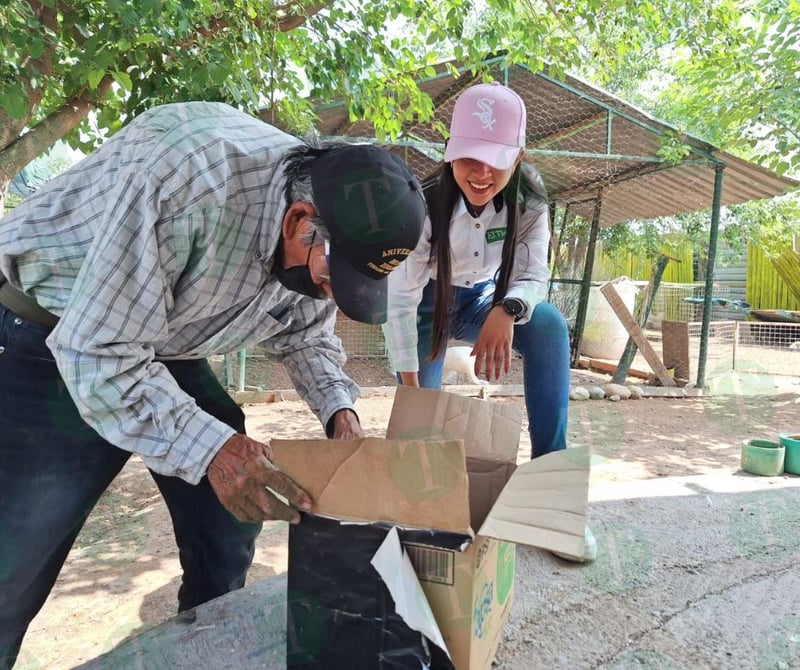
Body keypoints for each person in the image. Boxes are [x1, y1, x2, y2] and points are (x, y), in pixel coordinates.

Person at [0, 101, 426, 669]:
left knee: (226, 524)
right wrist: (214, 451)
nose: (330, 294)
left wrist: (340, 416)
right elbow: (97, 351)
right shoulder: (188, 180)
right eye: (331, 276)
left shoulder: (318, 242)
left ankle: (204, 650)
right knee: (14, 560)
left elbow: (306, 333)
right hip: (53, 332)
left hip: (162, 340)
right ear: (300, 219)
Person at [381, 82, 596, 562]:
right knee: (420, 415)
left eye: (495, 160)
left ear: (518, 156)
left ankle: (552, 501)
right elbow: (400, 301)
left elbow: (534, 272)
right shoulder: (423, 204)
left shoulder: (532, 199)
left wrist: (509, 309)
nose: (480, 174)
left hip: (488, 299)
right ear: (449, 153)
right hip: (425, 307)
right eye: (468, 158)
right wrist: (414, 391)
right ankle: (418, 516)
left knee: (549, 328)